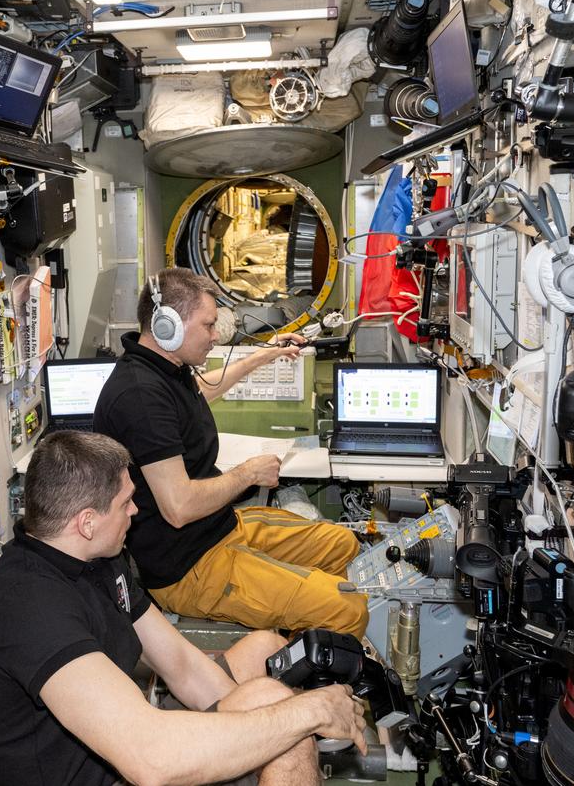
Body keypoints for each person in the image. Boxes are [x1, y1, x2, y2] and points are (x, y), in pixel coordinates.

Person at [0, 431, 368, 786]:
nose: (136, 511)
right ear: (86, 522)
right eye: (125, 503)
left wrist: (251, 731)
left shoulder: (98, 558)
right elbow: (151, 760)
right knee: (291, 740)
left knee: (266, 662)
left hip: (120, 746)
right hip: (116, 767)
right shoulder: (28, 607)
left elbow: (180, 664)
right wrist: (305, 714)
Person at [93, 268, 369, 637]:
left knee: (343, 544)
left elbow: (202, 390)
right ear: (167, 326)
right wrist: (248, 474)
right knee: (348, 608)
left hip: (219, 529)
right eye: (207, 326)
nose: (214, 336)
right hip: (190, 567)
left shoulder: (164, 369)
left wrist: (265, 355)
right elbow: (179, 508)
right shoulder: (140, 396)